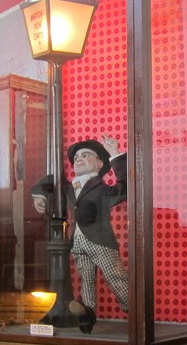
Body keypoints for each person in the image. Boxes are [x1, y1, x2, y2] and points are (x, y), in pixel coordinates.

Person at [32, 136, 127, 334]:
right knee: (86, 281)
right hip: (77, 242)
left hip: (101, 242)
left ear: (99, 163)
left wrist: (115, 154)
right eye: (76, 158)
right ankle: (87, 316)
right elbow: (51, 179)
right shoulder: (69, 188)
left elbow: (125, 187)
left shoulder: (101, 189)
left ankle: (133, 308)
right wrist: (39, 195)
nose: (79, 159)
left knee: (115, 277)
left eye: (85, 155)